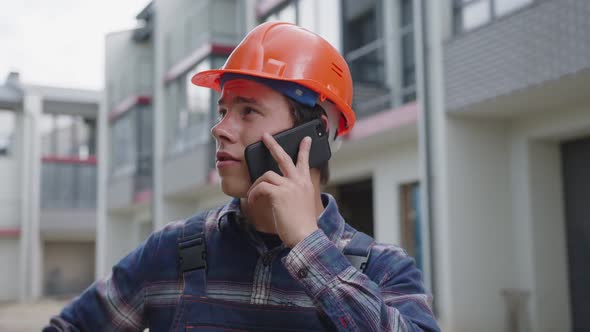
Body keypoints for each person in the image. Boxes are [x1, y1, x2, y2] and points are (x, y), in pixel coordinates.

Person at [44, 22, 440, 331]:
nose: (220, 129)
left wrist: (308, 247)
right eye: (222, 111)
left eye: (247, 111)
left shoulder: (382, 269)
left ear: (315, 133)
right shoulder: (172, 252)